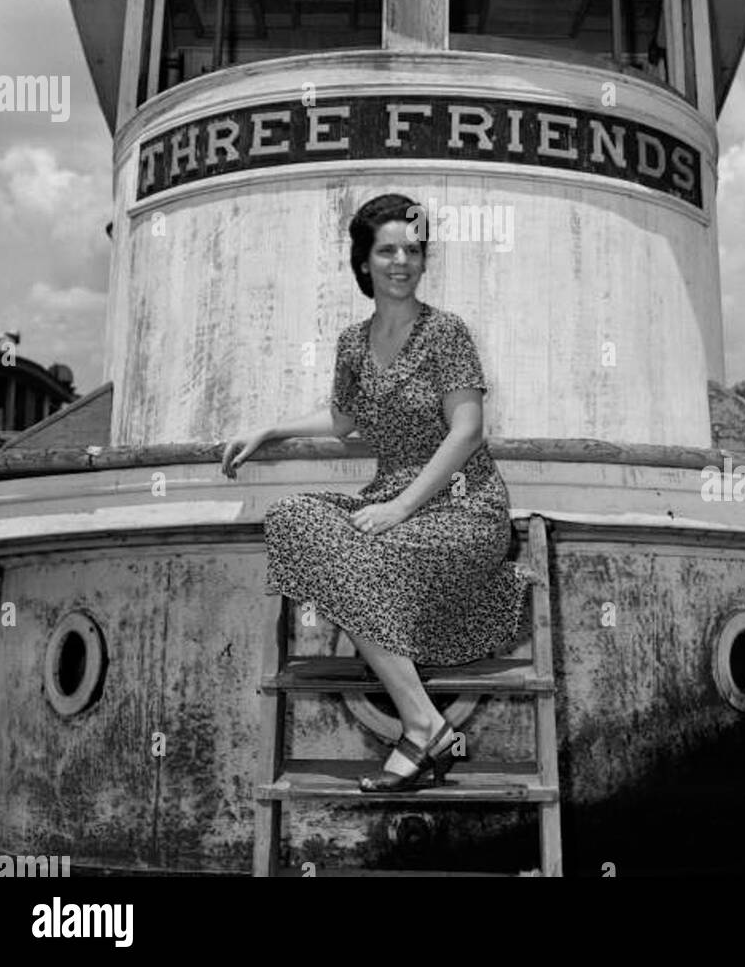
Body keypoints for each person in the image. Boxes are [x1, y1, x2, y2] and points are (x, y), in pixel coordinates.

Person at [221, 192, 531, 792]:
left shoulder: (446, 333)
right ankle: (425, 724)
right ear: (363, 261)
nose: (401, 262)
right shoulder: (352, 344)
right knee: (292, 518)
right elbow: (341, 421)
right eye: (386, 250)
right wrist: (271, 428)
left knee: (361, 555)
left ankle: (420, 731)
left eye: (412, 250)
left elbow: (468, 431)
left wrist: (400, 507)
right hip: (388, 500)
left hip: (464, 508)